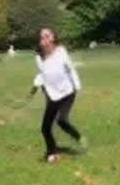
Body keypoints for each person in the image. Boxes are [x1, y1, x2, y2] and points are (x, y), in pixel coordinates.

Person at [32, 28, 83, 162]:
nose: (45, 39)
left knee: (61, 120)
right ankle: (51, 153)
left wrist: (77, 85)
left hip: (67, 92)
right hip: (53, 94)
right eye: (42, 37)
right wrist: (36, 84)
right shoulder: (39, 57)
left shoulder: (61, 51)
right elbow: (42, 74)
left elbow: (70, 68)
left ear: (53, 38)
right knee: (45, 127)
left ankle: (79, 138)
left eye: (47, 36)